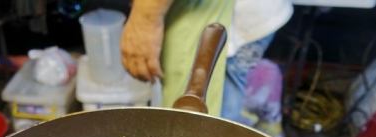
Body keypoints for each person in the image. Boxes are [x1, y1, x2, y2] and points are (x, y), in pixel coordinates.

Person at [120, 0, 292, 121]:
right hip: (184, 10)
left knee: (210, 129)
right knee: (189, 118)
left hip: (230, 14)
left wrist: (145, 20)